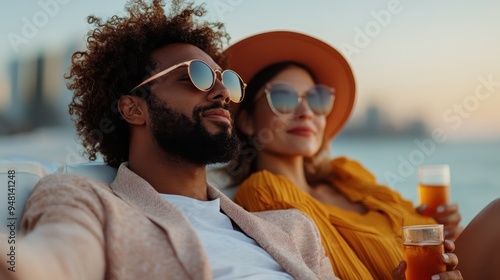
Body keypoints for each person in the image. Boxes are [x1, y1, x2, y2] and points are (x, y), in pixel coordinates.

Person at [0, 2, 337, 280]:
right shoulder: (89, 201)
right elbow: (50, 263)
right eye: (196, 76)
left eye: (227, 82)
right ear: (133, 109)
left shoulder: (294, 228)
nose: (222, 93)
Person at [224, 31, 498, 279]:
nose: (306, 111)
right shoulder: (263, 192)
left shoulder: (348, 174)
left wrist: (440, 232)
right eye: (283, 98)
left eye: (316, 98)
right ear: (247, 121)